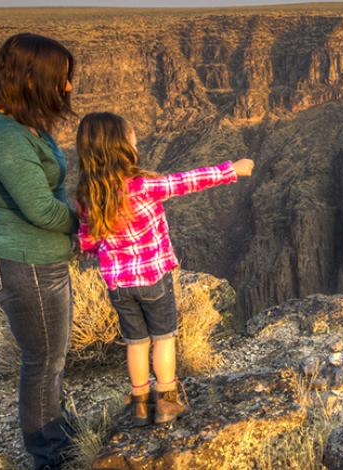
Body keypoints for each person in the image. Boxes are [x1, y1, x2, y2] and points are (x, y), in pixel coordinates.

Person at [73, 112, 253, 425]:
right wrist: (232, 170)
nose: (136, 141)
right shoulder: (143, 186)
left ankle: (140, 404)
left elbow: (87, 242)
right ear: (121, 148)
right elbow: (188, 181)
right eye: (132, 138)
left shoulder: (88, 197)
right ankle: (167, 400)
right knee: (164, 338)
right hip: (154, 280)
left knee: (135, 342)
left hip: (119, 287)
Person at [0, 33, 79, 469]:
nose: (67, 88)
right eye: (61, 78)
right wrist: (89, 225)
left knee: (51, 357)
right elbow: (40, 210)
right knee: (43, 360)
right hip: (24, 261)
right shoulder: (2, 135)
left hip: (37, 259)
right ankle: (49, 454)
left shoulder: (17, 123)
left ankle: (57, 432)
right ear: (31, 77)